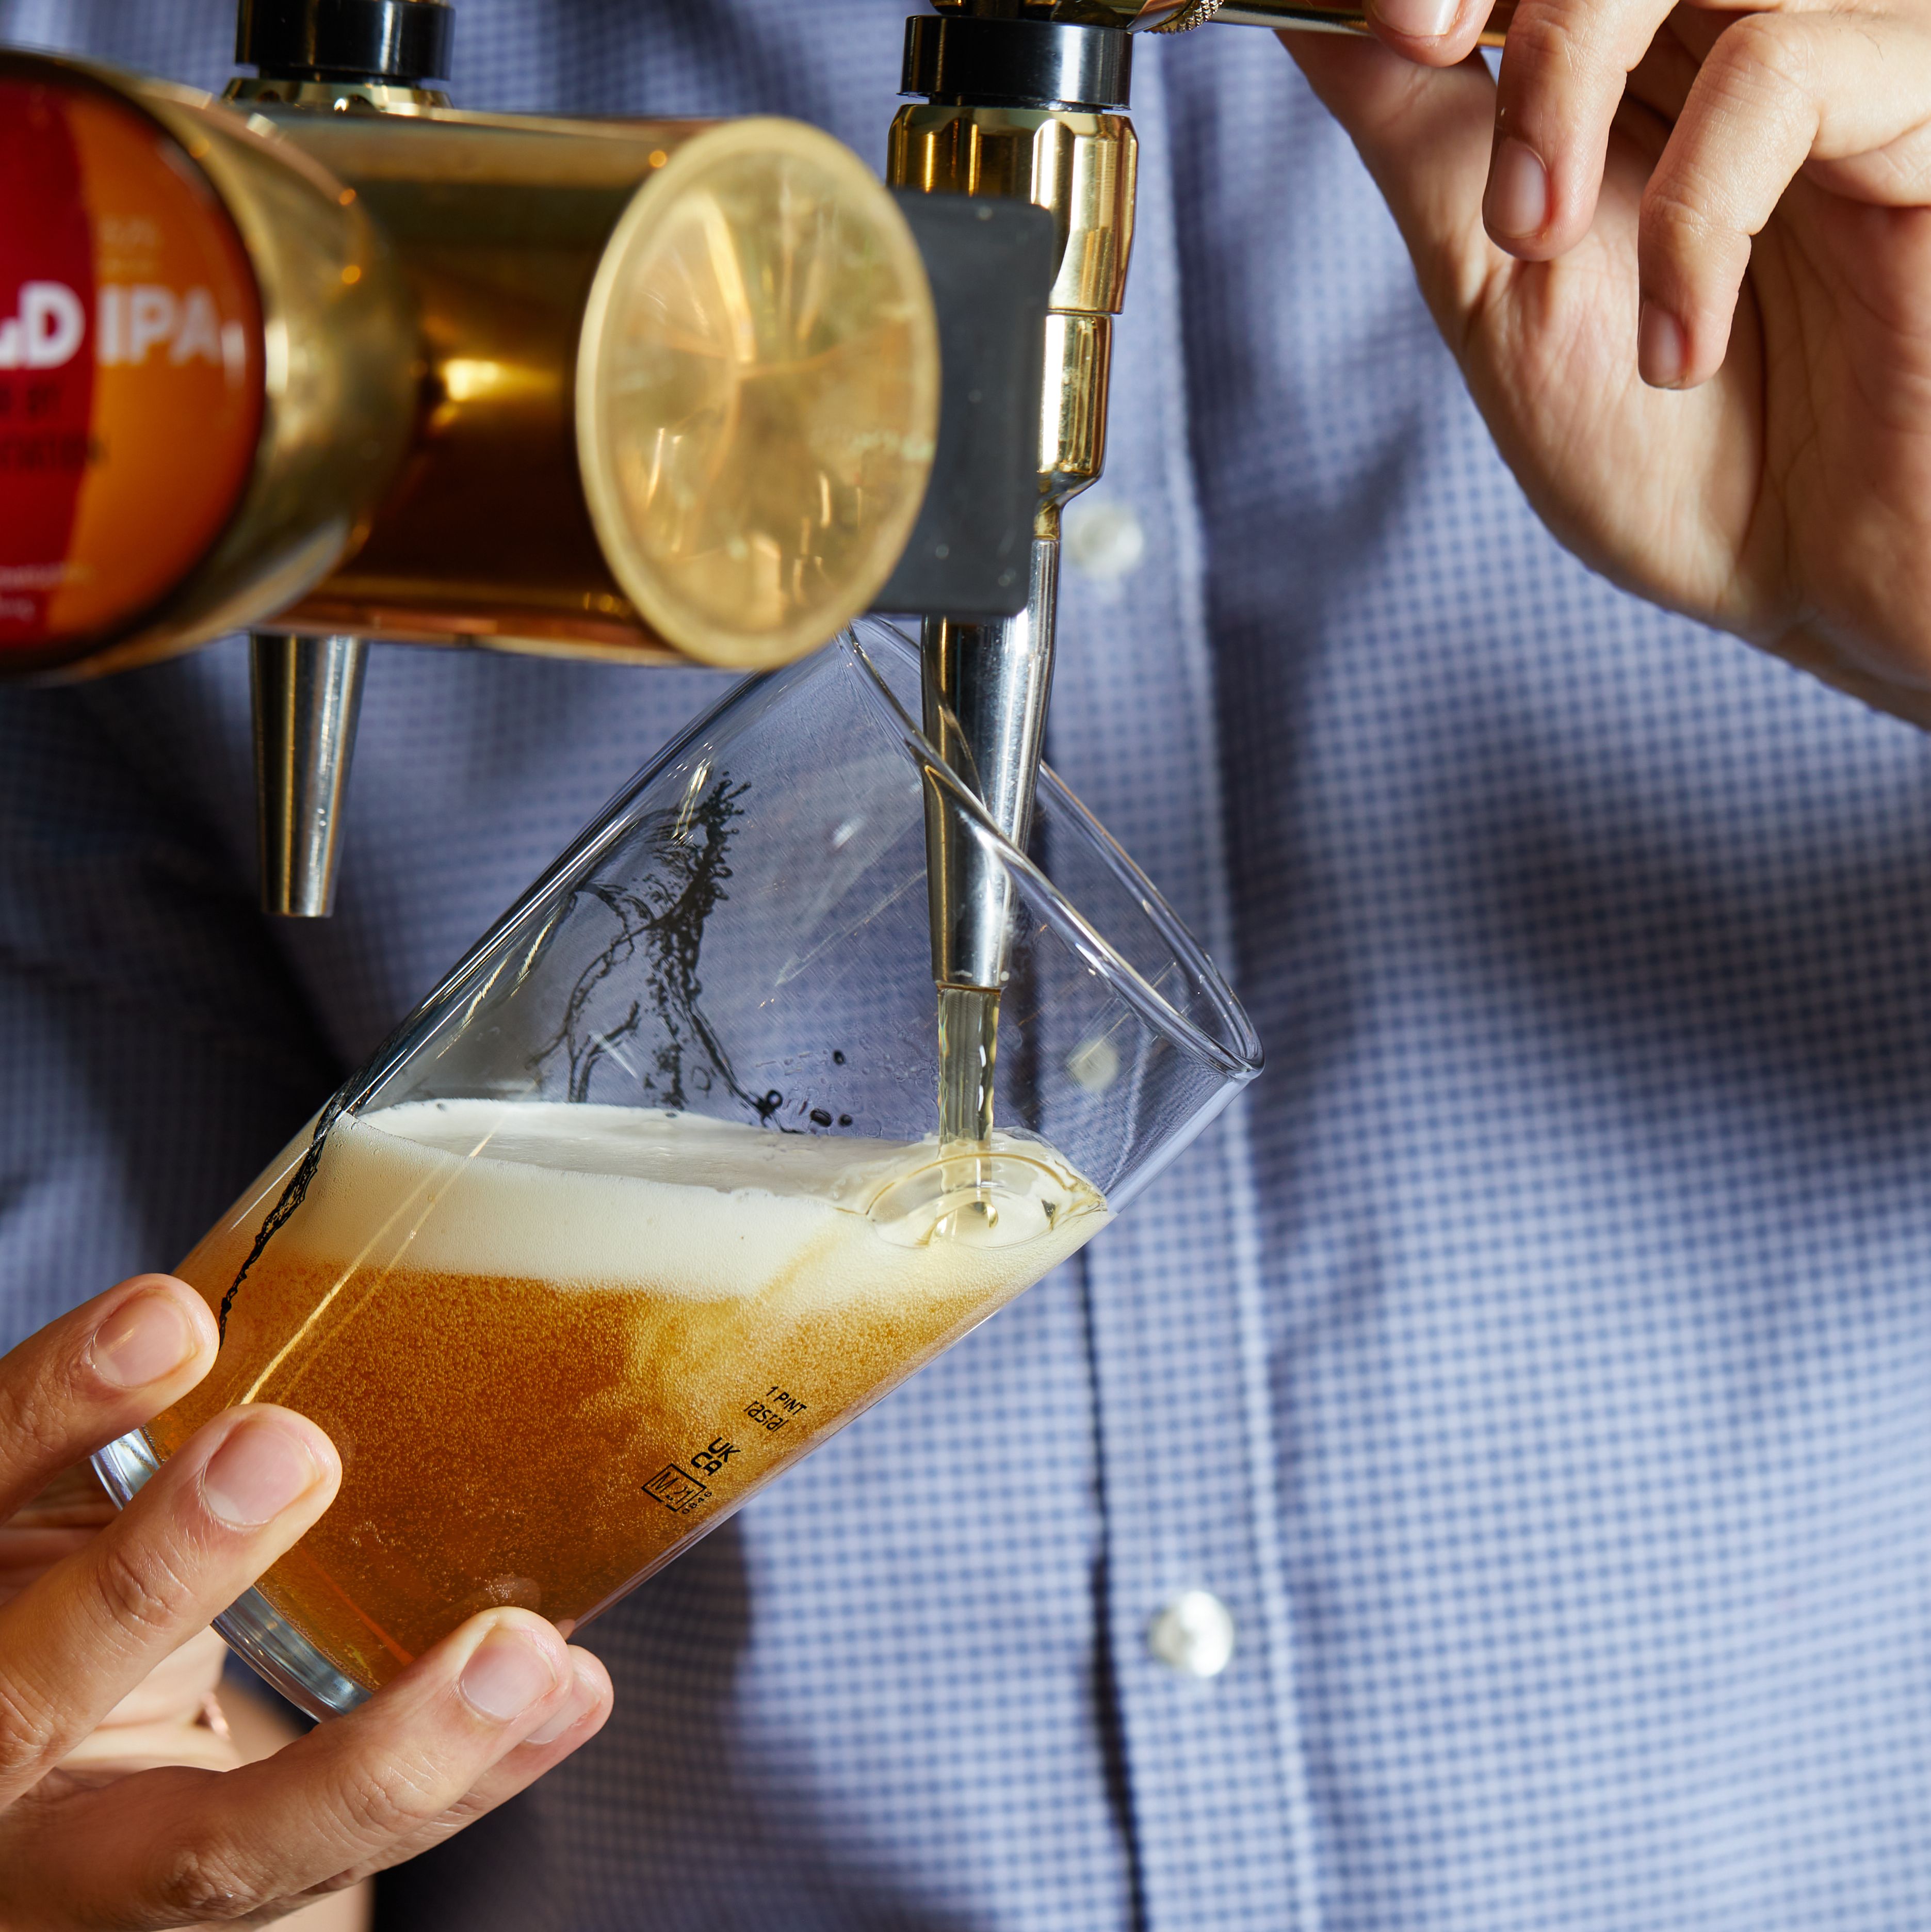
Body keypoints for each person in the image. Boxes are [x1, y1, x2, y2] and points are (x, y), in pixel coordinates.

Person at [3, 0, 1930, 1923]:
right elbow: (203, 1664)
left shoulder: (1832, 121)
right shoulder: (111, 149)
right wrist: (135, 1834)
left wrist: (1901, 592)